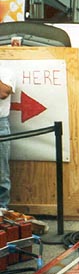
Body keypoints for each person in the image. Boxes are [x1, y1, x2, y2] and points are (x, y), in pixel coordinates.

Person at [0, 66, 15, 211]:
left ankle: (1, 210)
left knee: (1, 172)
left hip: (0, 124)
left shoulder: (5, 71)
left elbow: (3, 92)